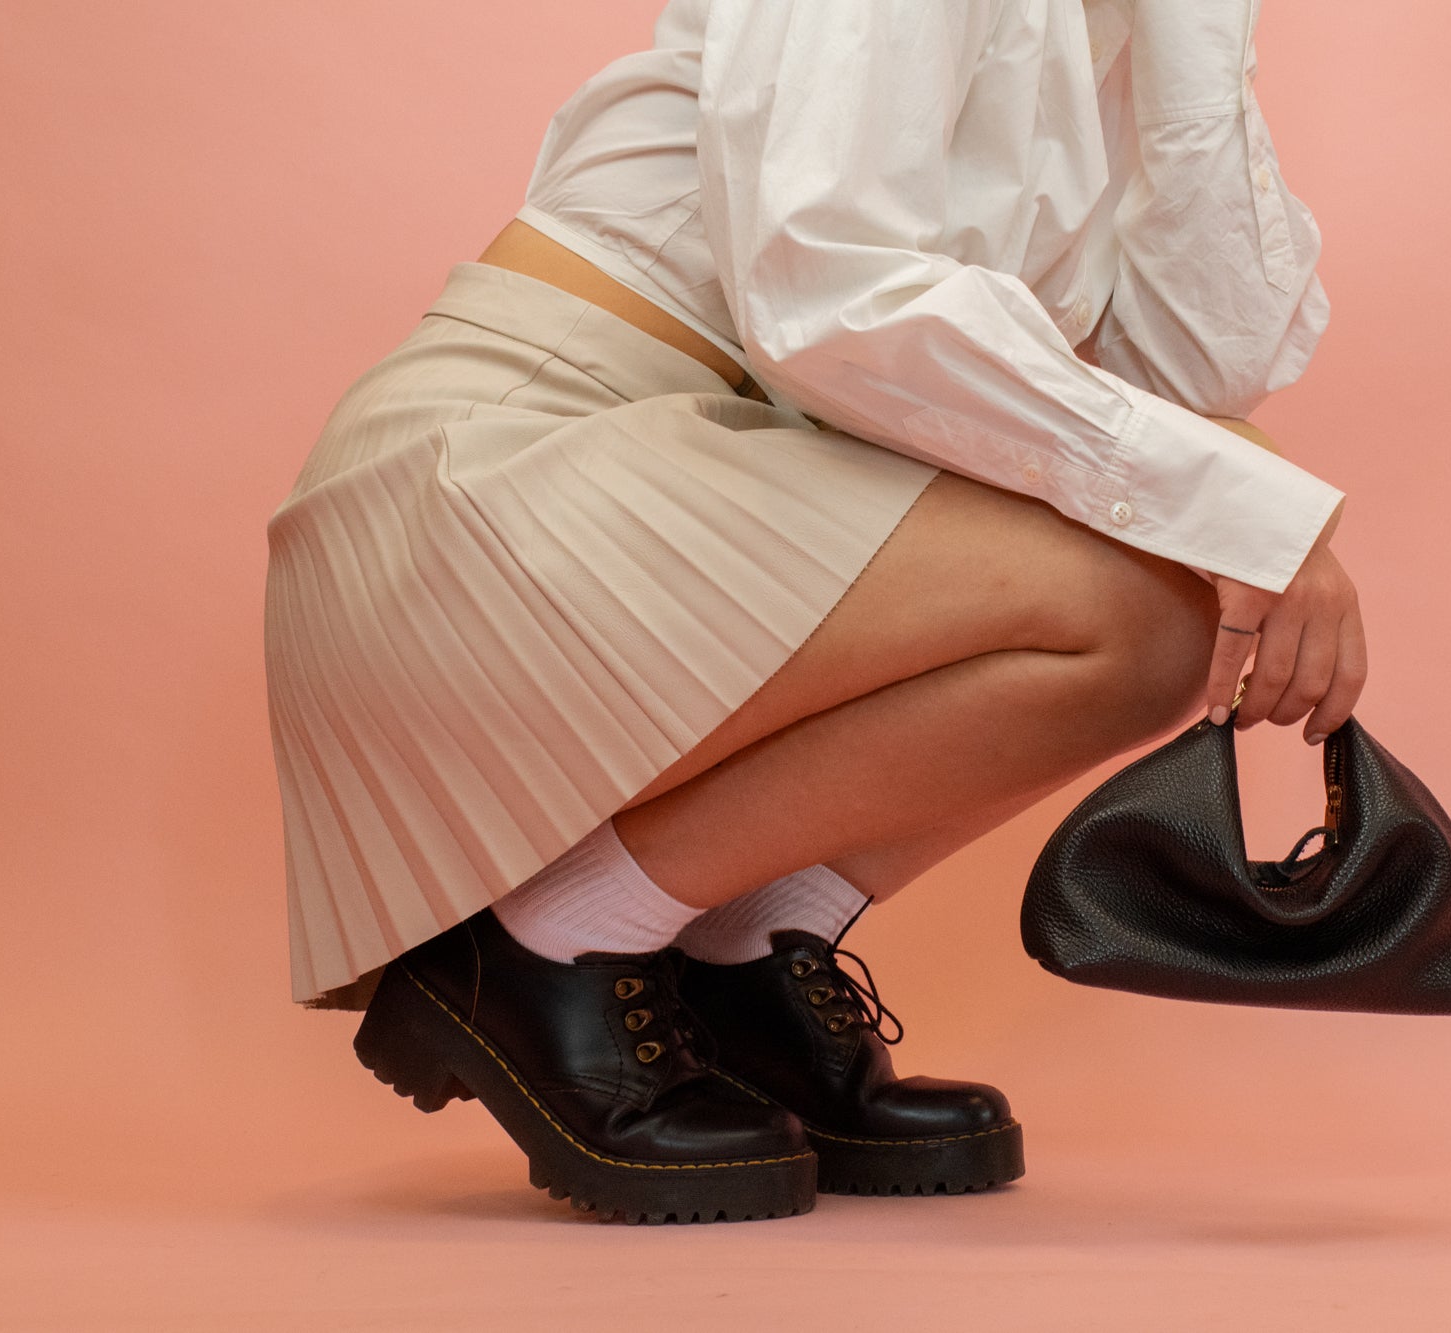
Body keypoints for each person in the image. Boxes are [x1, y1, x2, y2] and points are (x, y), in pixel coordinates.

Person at [262, 0, 1365, 1225]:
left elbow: (1190, 368)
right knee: (1133, 600)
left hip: (697, 477)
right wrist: (1244, 503)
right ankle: (543, 943)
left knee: (1155, 615)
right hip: (497, 484)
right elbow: (826, 294)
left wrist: (1192, 31)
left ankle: (735, 956)